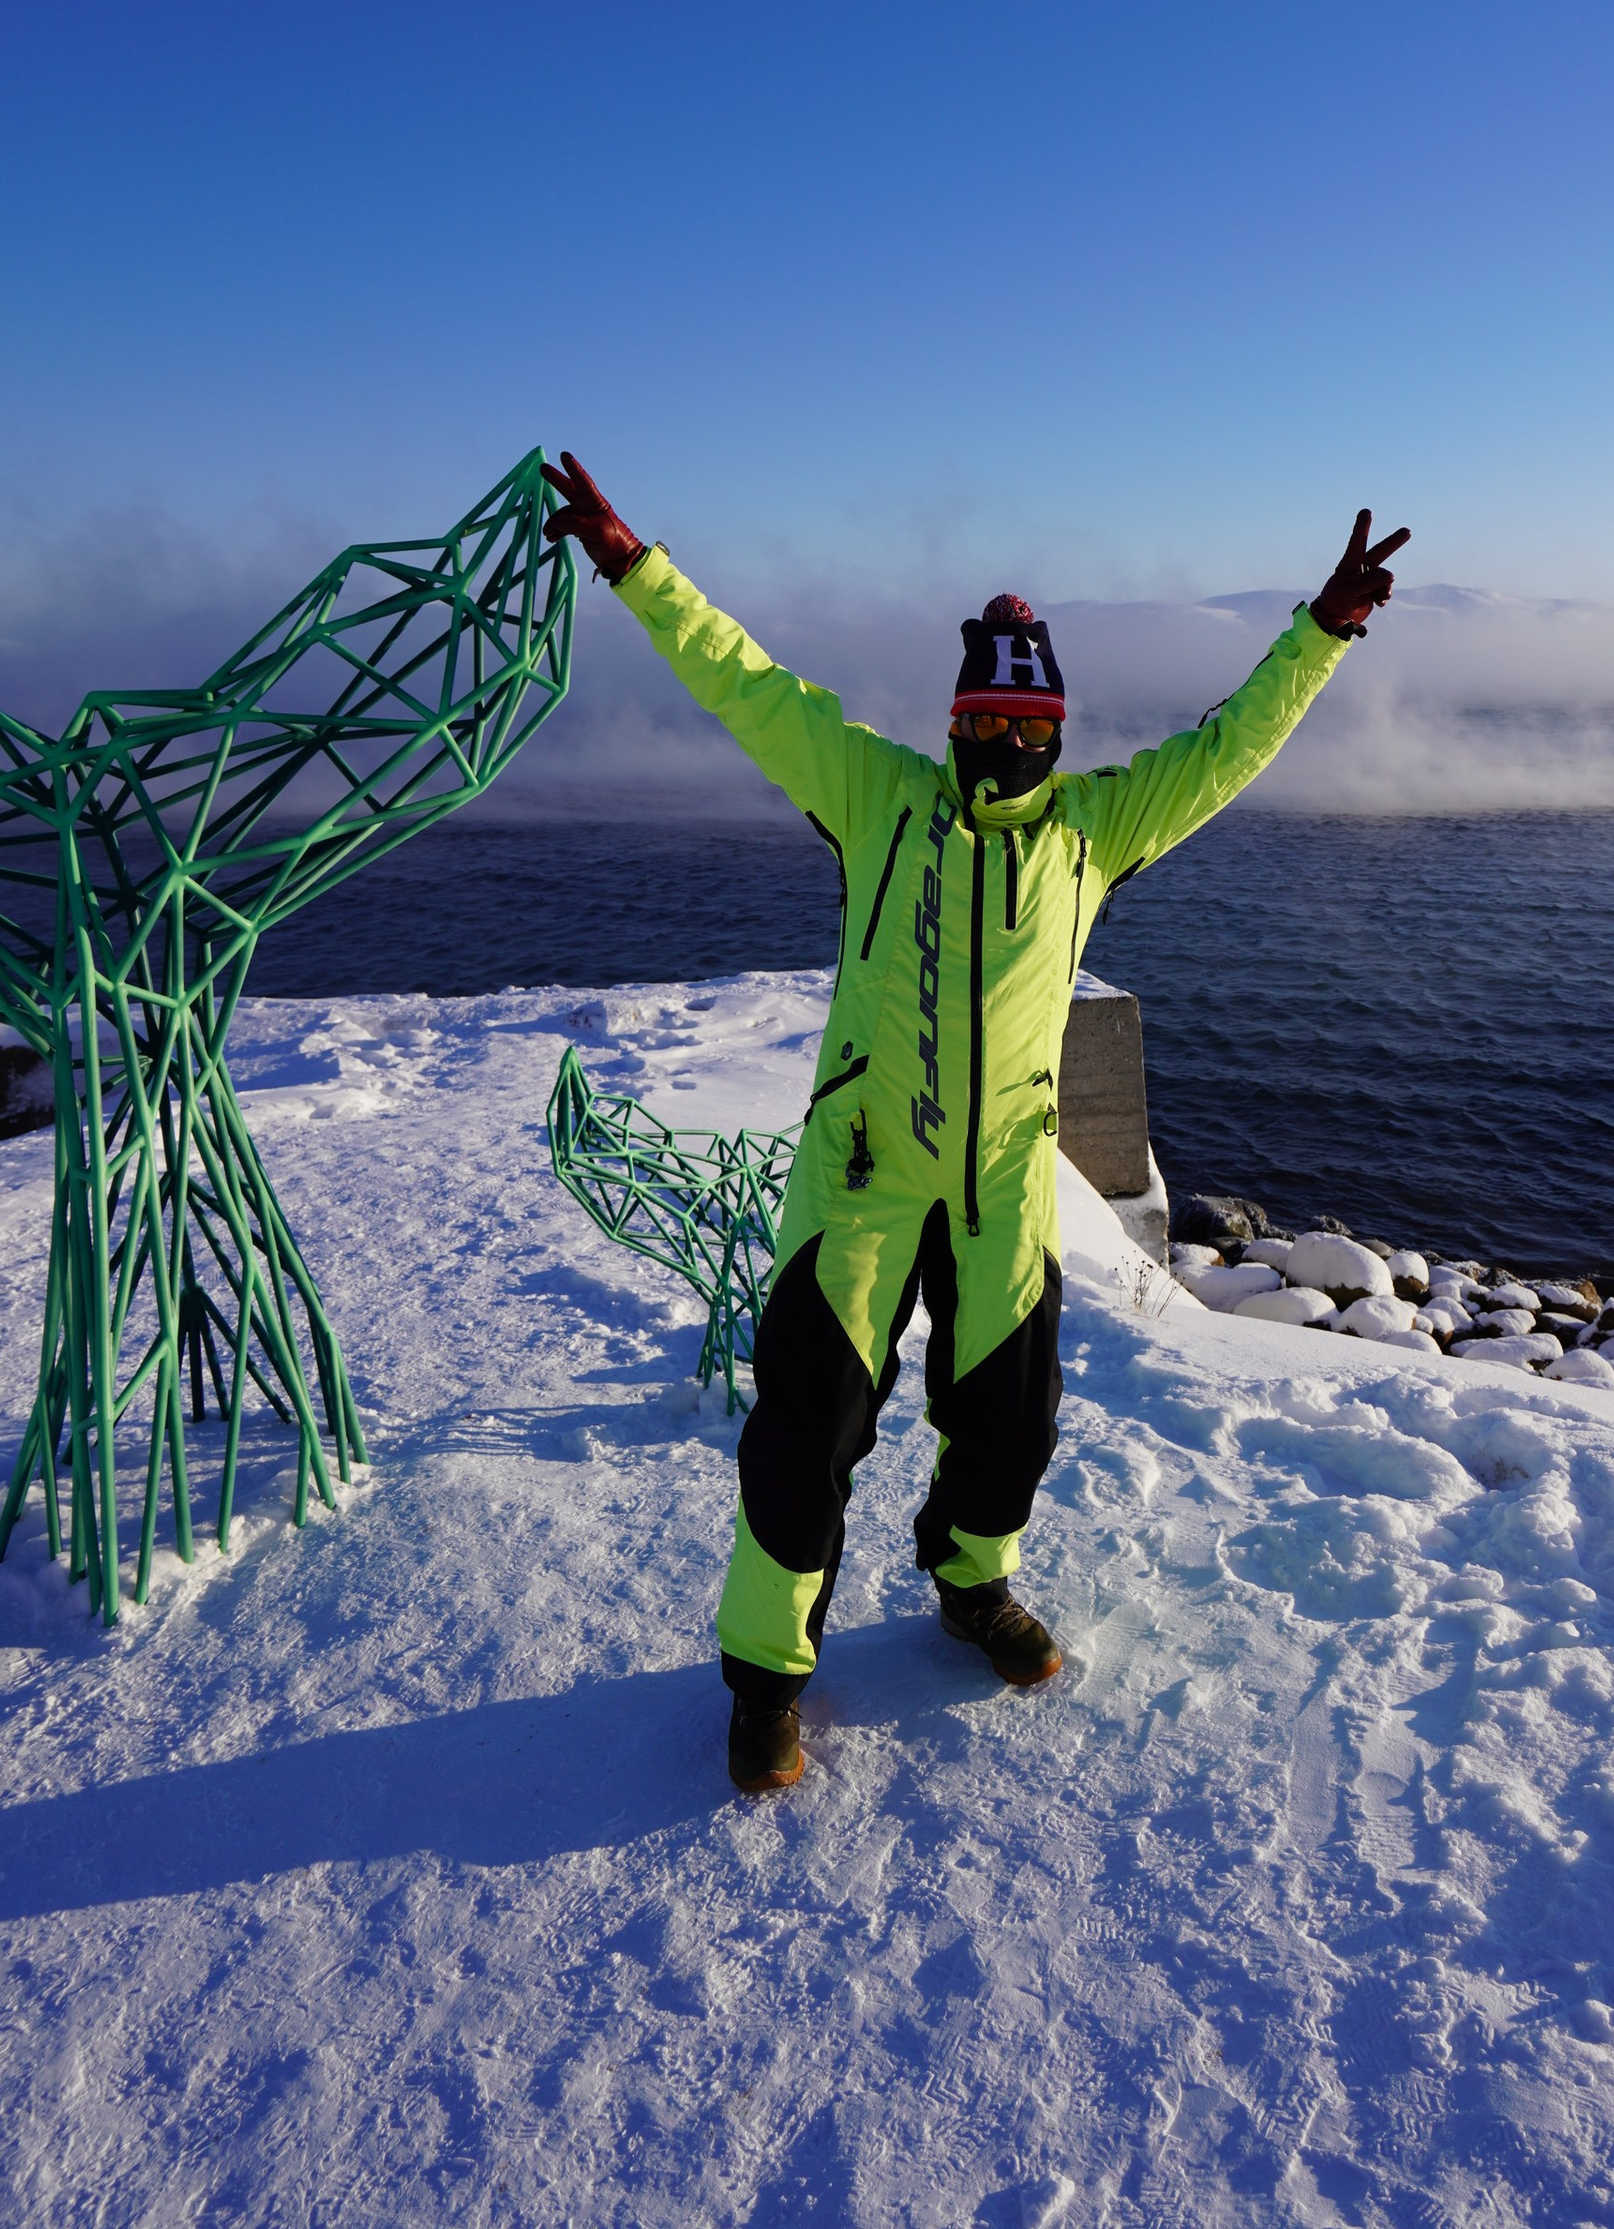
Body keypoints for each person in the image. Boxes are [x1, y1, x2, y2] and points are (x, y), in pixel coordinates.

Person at [542, 456, 1409, 1795]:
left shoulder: (1095, 831)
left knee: (1011, 1423)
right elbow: (746, 681)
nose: (1008, 746)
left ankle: (969, 1584)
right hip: (861, 1176)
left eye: (1027, 726)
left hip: (1005, 1181)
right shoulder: (872, 793)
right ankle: (770, 1679)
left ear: (1055, 727)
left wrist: (1322, 633)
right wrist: (633, 564)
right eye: (987, 725)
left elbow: (1227, 747)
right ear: (955, 724)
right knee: (803, 1432)